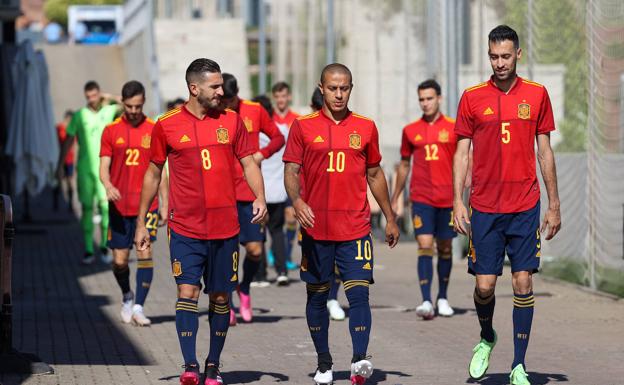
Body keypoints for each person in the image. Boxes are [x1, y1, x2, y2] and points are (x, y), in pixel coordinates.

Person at [134, 58, 267, 385]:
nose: (222, 91)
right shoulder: (166, 124)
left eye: (221, 85)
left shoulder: (232, 121)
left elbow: (249, 163)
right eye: (215, 86)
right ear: (194, 88)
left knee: (220, 298)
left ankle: (213, 365)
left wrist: (259, 197)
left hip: (226, 228)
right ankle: (190, 365)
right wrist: (142, 222)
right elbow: (152, 173)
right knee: (188, 291)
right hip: (185, 229)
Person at [453, 25, 561, 385]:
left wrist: (554, 203)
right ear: (489, 56)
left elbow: (544, 151)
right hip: (484, 207)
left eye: (505, 56)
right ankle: (486, 337)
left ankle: (518, 365)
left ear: (518, 54)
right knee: (484, 286)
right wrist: (457, 200)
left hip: (525, 206)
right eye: (493, 56)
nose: (499, 63)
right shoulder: (471, 97)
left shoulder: (537, 94)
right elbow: (462, 152)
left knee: (523, 282)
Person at [283, 63, 400, 385]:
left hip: (356, 228)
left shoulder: (365, 127)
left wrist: (389, 216)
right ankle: (324, 362)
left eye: (344, 88)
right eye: (333, 88)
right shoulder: (303, 126)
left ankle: (360, 359)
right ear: (321, 87)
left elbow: (374, 174)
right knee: (317, 296)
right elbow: (291, 170)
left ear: (351, 88)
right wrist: (297, 201)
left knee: (359, 294)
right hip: (316, 229)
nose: (338, 94)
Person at [100, 80, 168, 326]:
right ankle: (127, 295)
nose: (133, 111)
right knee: (119, 261)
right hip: (119, 206)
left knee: (145, 254)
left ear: (144, 102)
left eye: (138, 106)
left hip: (145, 207)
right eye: (129, 106)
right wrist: (108, 185)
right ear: (123, 103)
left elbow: (159, 171)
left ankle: (139, 306)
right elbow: (103, 167)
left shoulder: (154, 129)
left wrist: (163, 203)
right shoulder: (111, 130)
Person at [220, 73, 285, 324]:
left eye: (228, 99)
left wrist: (262, 154)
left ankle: (244, 288)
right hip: (223, 193)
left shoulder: (255, 110)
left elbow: (278, 138)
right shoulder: (215, 114)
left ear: (236, 95)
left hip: (249, 192)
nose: (224, 104)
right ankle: (226, 301)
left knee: (255, 250)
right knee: (226, 252)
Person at [391, 79, 457, 319]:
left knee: (446, 246)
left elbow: (464, 161)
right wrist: (396, 197)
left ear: (439, 98)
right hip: (421, 197)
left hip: (448, 199)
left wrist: (465, 196)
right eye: (422, 99)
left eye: (429, 98)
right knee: (425, 244)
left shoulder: (453, 127)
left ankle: (443, 297)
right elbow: (404, 165)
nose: (425, 103)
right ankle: (427, 300)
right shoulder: (410, 130)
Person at [57, 81, 121, 265]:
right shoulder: (79, 116)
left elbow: (128, 104)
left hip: (106, 169)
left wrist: (109, 97)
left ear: (99, 94)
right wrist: (60, 165)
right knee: (86, 208)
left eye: (94, 95)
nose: (91, 99)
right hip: (85, 170)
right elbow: (68, 141)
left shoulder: (109, 111)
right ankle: (88, 249)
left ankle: (103, 245)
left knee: (106, 208)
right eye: (88, 97)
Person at [54, 110, 75, 212]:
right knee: (58, 181)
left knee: (69, 182)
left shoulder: (74, 129)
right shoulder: (59, 128)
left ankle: (70, 204)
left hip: (69, 160)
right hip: (59, 159)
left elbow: (76, 145)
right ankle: (56, 203)